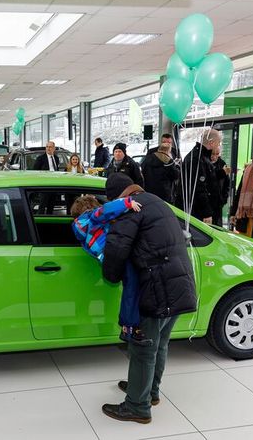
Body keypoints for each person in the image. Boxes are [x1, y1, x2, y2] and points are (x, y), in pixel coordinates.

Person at [101, 173, 197, 424]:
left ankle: (137, 406)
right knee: (159, 344)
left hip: (155, 288)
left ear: (118, 197)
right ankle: (149, 391)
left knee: (143, 347)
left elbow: (116, 248)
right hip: (179, 283)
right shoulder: (156, 201)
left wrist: (110, 275)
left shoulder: (129, 211)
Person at [70, 194, 147, 344]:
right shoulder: (92, 217)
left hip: (109, 259)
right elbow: (104, 211)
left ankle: (129, 326)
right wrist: (127, 202)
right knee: (132, 287)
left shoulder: (81, 226)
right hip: (116, 254)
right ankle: (129, 328)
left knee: (131, 285)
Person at [179, 129, 221, 224]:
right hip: (197, 212)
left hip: (200, 209)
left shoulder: (202, 157)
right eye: (218, 143)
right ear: (212, 142)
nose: (219, 145)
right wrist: (206, 212)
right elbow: (199, 187)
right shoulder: (197, 159)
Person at [210, 148, 231, 227]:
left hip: (218, 201)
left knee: (217, 226)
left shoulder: (222, 163)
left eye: (217, 154)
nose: (214, 157)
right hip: (206, 201)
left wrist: (224, 198)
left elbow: (227, 183)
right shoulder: (203, 162)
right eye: (212, 154)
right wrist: (221, 173)